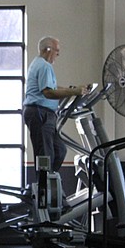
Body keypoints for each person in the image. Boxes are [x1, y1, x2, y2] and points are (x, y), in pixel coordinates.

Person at [23, 36, 90, 174]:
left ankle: (49, 182)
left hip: (43, 113)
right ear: (48, 50)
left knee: (59, 150)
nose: (58, 54)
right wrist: (73, 91)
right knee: (45, 155)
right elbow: (48, 92)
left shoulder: (39, 64)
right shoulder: (44, 66)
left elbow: (52, 88)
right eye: (56, 51)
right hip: (40, 113)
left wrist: (72, 90)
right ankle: (44, 188)